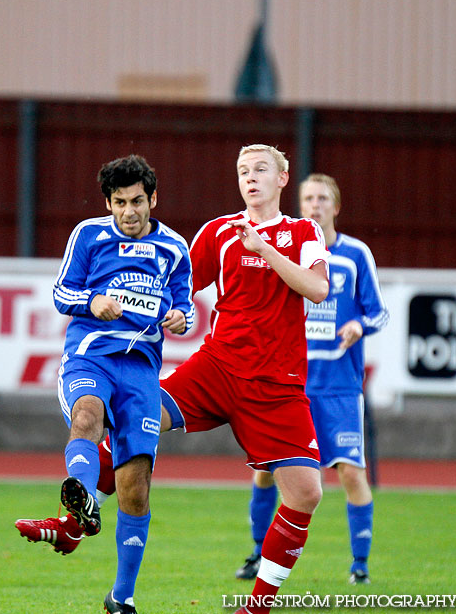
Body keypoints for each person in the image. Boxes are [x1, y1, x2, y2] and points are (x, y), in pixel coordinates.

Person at [19, 145, 330, 614]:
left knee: (307, 493)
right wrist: (170, 313)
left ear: (283, 179)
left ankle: (257, 606)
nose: (250, 177)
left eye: (261, 170)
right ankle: (74, 519)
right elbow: (177, 289)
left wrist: (264, 249)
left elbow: (318, 290)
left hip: (276, 384)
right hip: (217, 368)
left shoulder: (302, 231)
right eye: (243, 170)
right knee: (135, 426)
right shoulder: (219, 232)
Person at [15, 154, 194, 614]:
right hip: (90, 355)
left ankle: (122, 597)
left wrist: (180, 317)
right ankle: (83, 502)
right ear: (108, 202)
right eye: (119, 202)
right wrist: (93, 301)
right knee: (87, 416)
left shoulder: (174, 247)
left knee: (135, 487)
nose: (129, 212)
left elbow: (185, 304)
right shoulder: (88, 235)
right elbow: (61, 292)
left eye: (137, 201)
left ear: (153, 199)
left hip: (141, 371)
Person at [235, 173, 389, 586]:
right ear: (299, 204)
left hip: (339, 387)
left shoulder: (355, 255)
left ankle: (359, 564)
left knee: (351, 472)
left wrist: (358, 324)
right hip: (290, 384)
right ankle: (255, 552)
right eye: (308, 199)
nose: (315, 205)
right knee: (267, 470)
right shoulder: (285, 252)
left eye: (323, 198)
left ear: (335, 207)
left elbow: (379, 313)